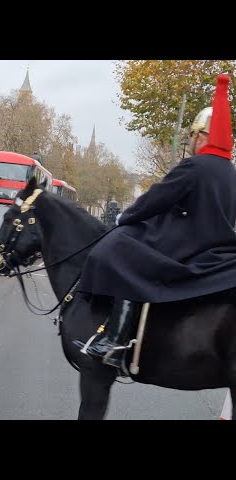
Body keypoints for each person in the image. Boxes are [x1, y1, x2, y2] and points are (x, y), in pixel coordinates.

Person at [76, 73, 236, 369]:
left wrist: (127, 216)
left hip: (189, 245)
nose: (191, 142)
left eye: (193, 137)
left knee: (122, 249)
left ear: (202, 137)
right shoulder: (230, 173)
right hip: (222, 248)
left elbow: (157, 198)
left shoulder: (195, 166)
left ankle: (115, 340)